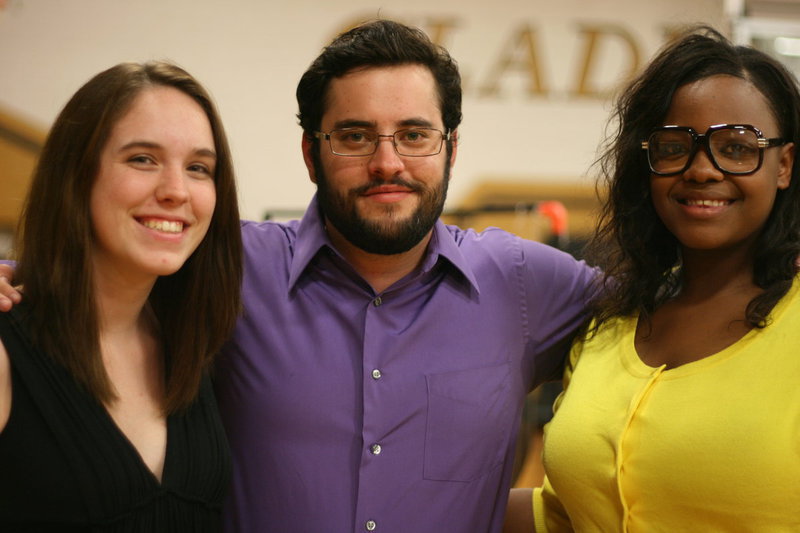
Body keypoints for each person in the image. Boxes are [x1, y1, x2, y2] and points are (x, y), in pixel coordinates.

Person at [0, 20, 598, 533]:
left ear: (451, 147)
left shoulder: (524, 285)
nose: (387, 161)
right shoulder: (228, 266)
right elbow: (95, 265)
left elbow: (668, 309)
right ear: (311, 154)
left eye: (415, 135)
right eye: (355, 136)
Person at [503, 26, 800, 533]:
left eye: (736, 147)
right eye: (673, 146)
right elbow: (565, 514)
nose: (702, 169)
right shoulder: (608, 327)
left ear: (784, 165)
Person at [0, 61, 243, 531]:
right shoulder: (8, 350)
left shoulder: (194, 341)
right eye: (142, 159)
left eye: (198, 168)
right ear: (76, 174)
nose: (176, 191)